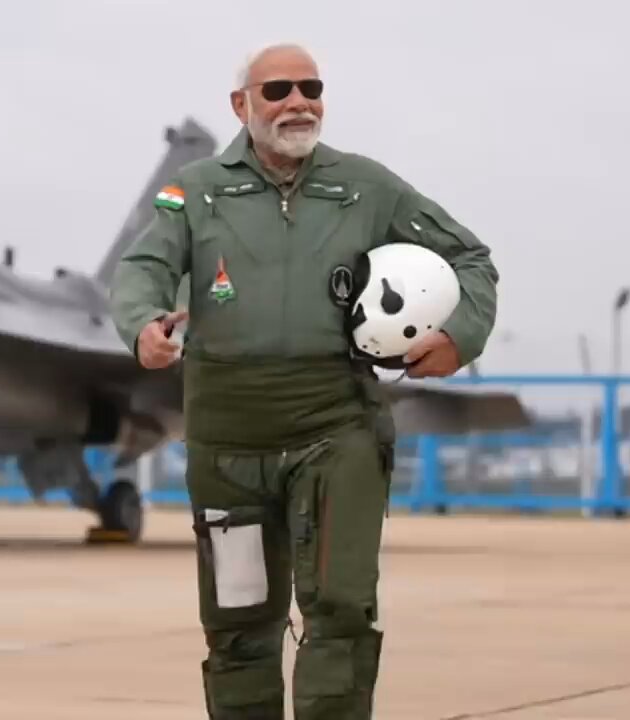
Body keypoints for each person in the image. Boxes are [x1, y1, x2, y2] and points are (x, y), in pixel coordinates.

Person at [109, 43, 498, 719]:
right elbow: (144, 264)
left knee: (341, 610)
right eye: (279, 89)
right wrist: (142, 323)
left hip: (334, 428)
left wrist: (460, 334)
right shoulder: (194, 191)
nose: (298, 102)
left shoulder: (366, 187)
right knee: (238, 621)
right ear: (242, 105)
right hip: (228, 444)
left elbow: (470, 258)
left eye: (311, 88)